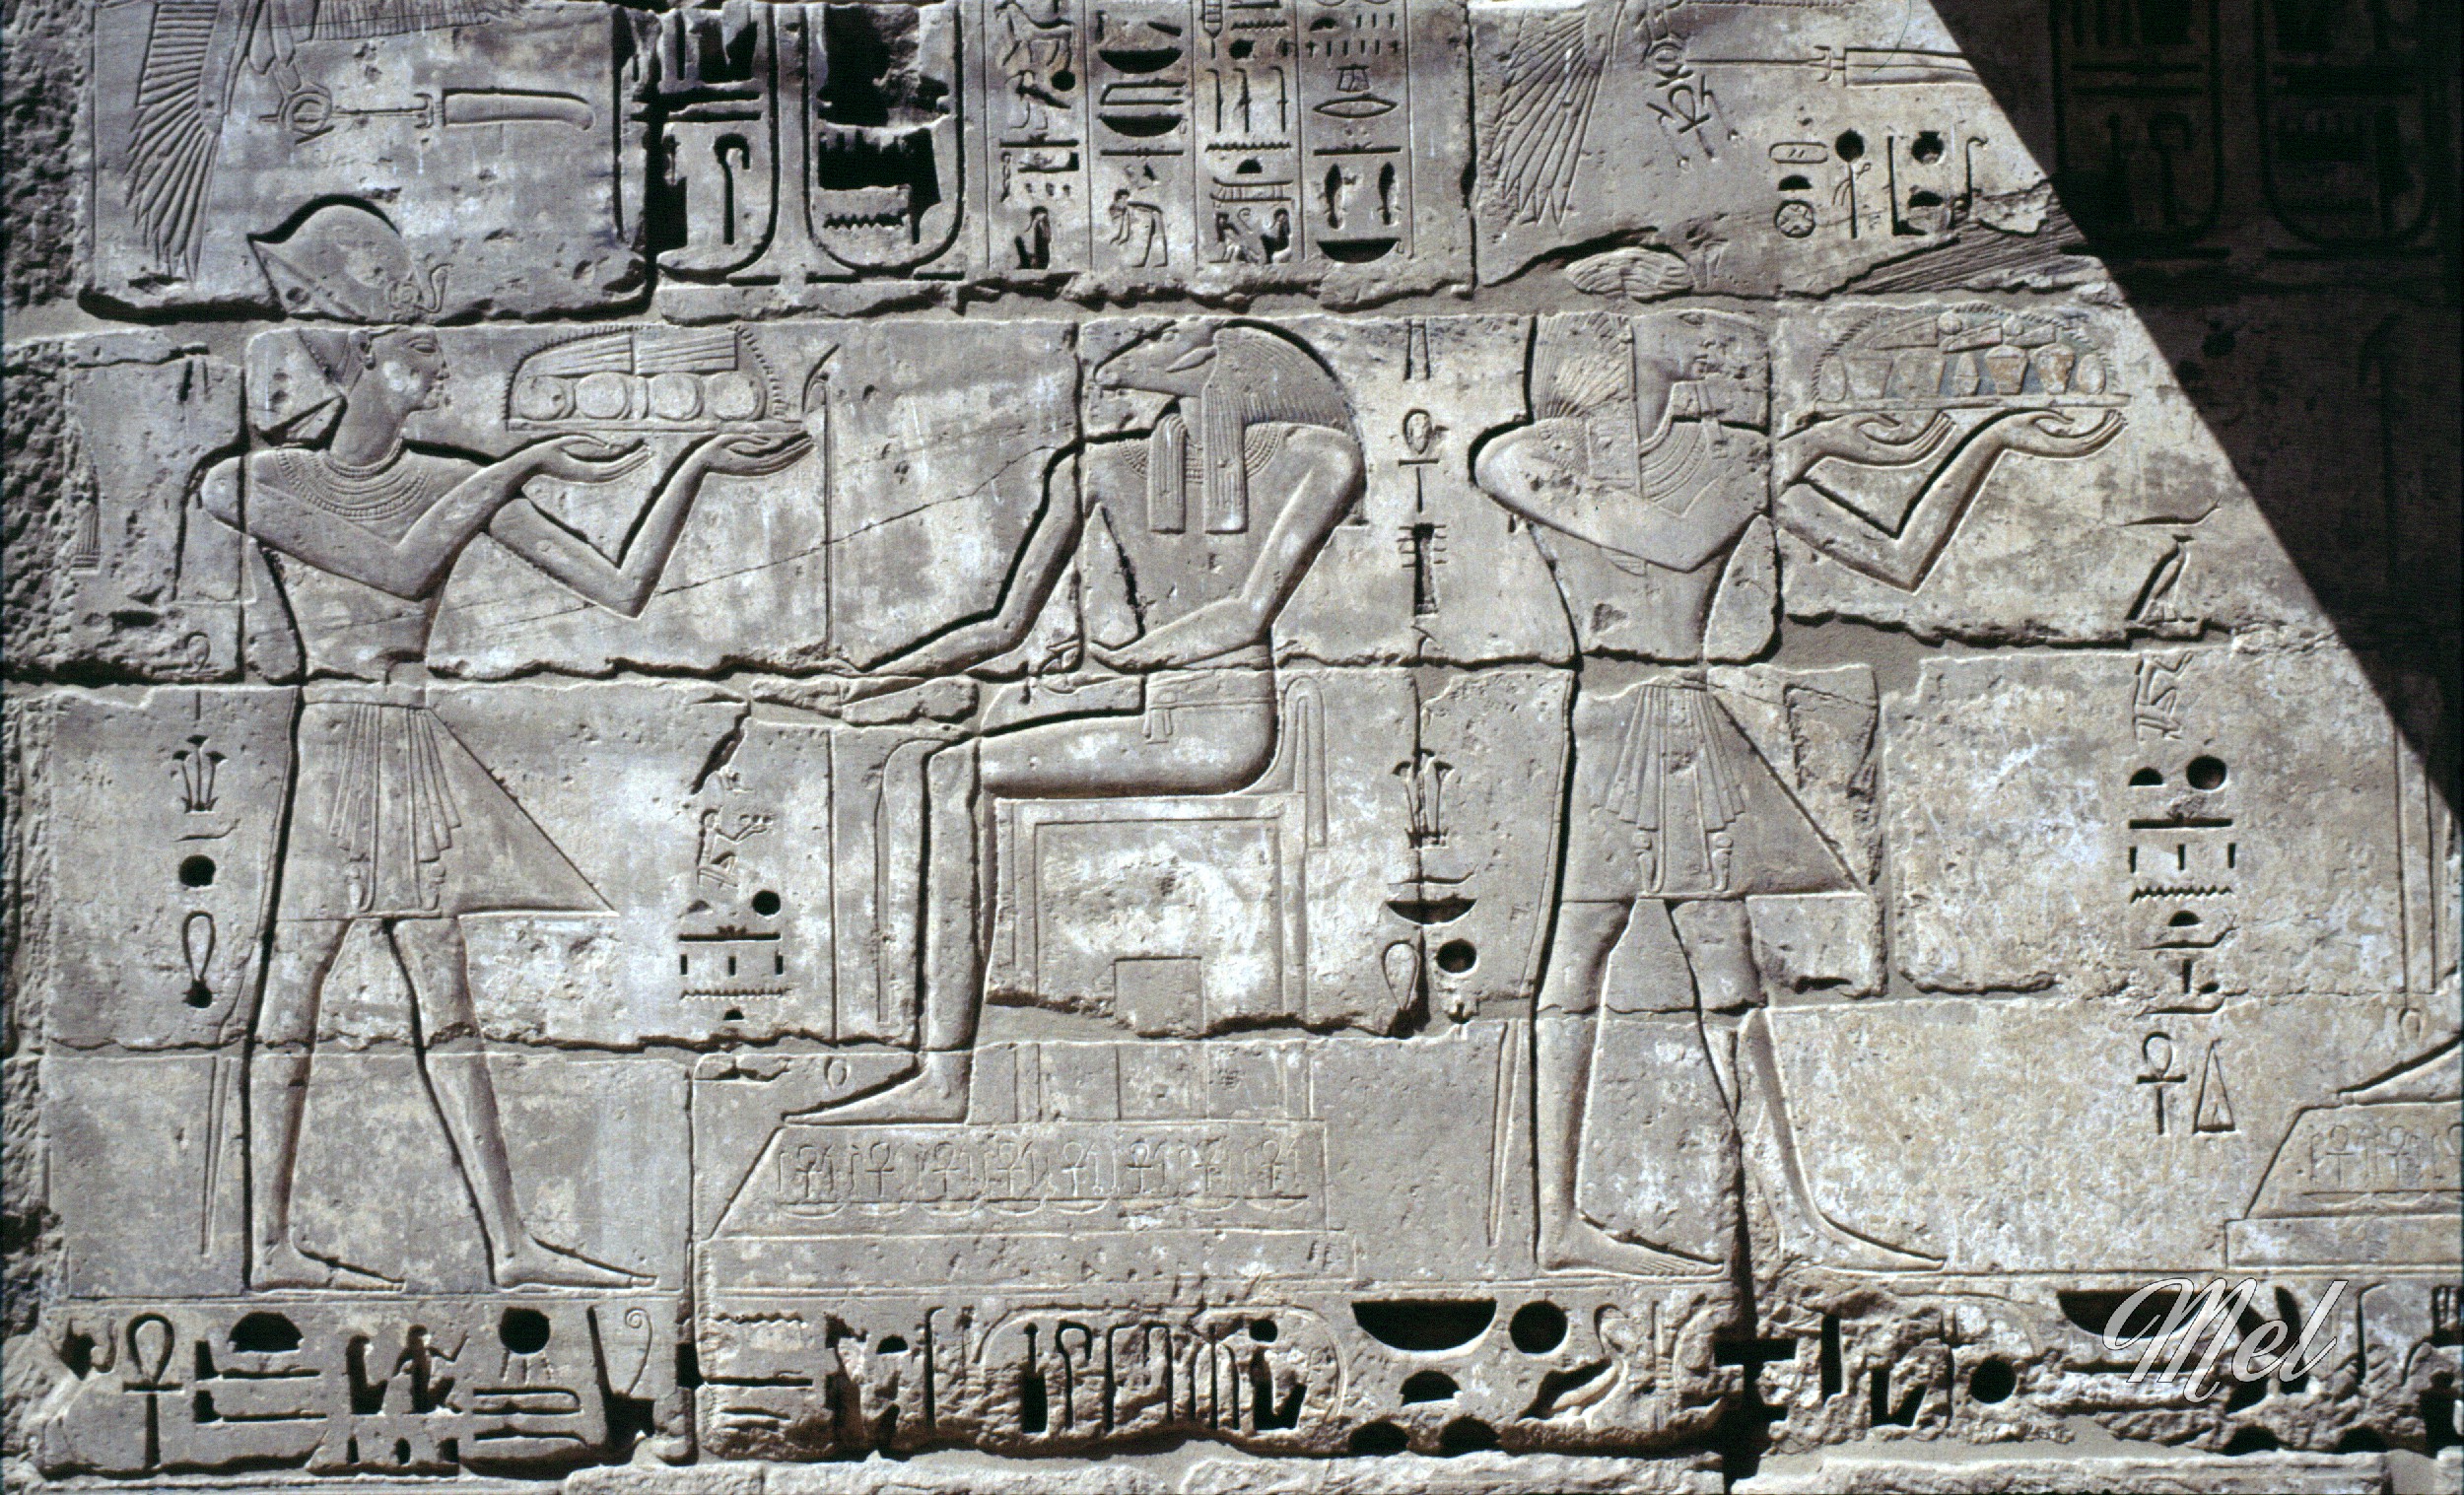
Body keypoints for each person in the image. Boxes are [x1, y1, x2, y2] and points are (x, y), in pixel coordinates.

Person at [1470, 312, 2120, 1276]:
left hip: (1689, 724)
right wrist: (1799, 451)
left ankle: (1792, 1216)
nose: (1698, 349)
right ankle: (1560, 1222)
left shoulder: (1720, 464)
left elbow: (1899, 556)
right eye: (1670, 334)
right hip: (1616, 727)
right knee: (1577, 967)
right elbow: (1673, 542)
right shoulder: (1527, 457)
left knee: (1726, 979)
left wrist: (1986, 440)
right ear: (1609, 355)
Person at [204, 306, 806, 1290]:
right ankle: (268, 1247)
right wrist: (521, 465)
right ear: (359, 359)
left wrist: (692, 464)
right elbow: (396, 567)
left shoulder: (449, 480)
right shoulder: (263, 479)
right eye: (417, 351)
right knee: (293, 992)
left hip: (411, 744)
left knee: (447, 1001)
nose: (437, 369)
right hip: (337, 742)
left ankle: (511, 1245)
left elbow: (621, 587)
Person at [787, 323, 1364, 1124]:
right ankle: (925, 1054)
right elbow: (1004, 626)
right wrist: (873, 682)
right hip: (1145, 710)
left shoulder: (1319, 457)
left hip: (1220, 730)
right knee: (931, 762)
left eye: (1178, 343)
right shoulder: (1099, 468)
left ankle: (943, 1075)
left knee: (953, 771)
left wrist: (1130, 658)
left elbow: (1246, 611)